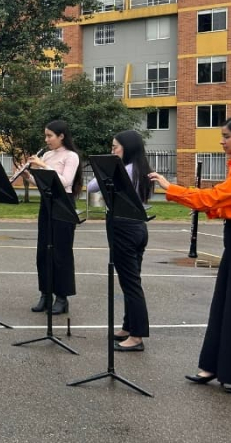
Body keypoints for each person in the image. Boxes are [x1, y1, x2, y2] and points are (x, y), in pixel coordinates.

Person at [149, 114, 231, 396]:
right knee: (226, 304)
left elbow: (214, 198)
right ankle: (218, 366)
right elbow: (223, 204)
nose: (221, 141)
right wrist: (207, 204)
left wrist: (173, 190)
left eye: (226, 136)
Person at [86, 130, 151, 351]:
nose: (112, 150)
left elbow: (92, 187)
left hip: (123, 228)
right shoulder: (141, 169)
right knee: (131, 280)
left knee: (130, 284)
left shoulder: (122, 170)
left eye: (115, 147)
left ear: (127, 148)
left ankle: (137, 336)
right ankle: (128, 326)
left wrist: (108, 165)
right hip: (138, 228)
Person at [22, 119, 82, 315]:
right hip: (47, 204)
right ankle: (45, 294)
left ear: (61, 136)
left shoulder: (71, 156)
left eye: (50, 136)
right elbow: (42, 182)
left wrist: (42, 165)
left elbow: (65, 181)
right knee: (43, 251)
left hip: (63, 205)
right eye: (46, 135)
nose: (46, 139)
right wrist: (27, 175)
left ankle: (62, 298)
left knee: (61, 252)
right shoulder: (47, 154)